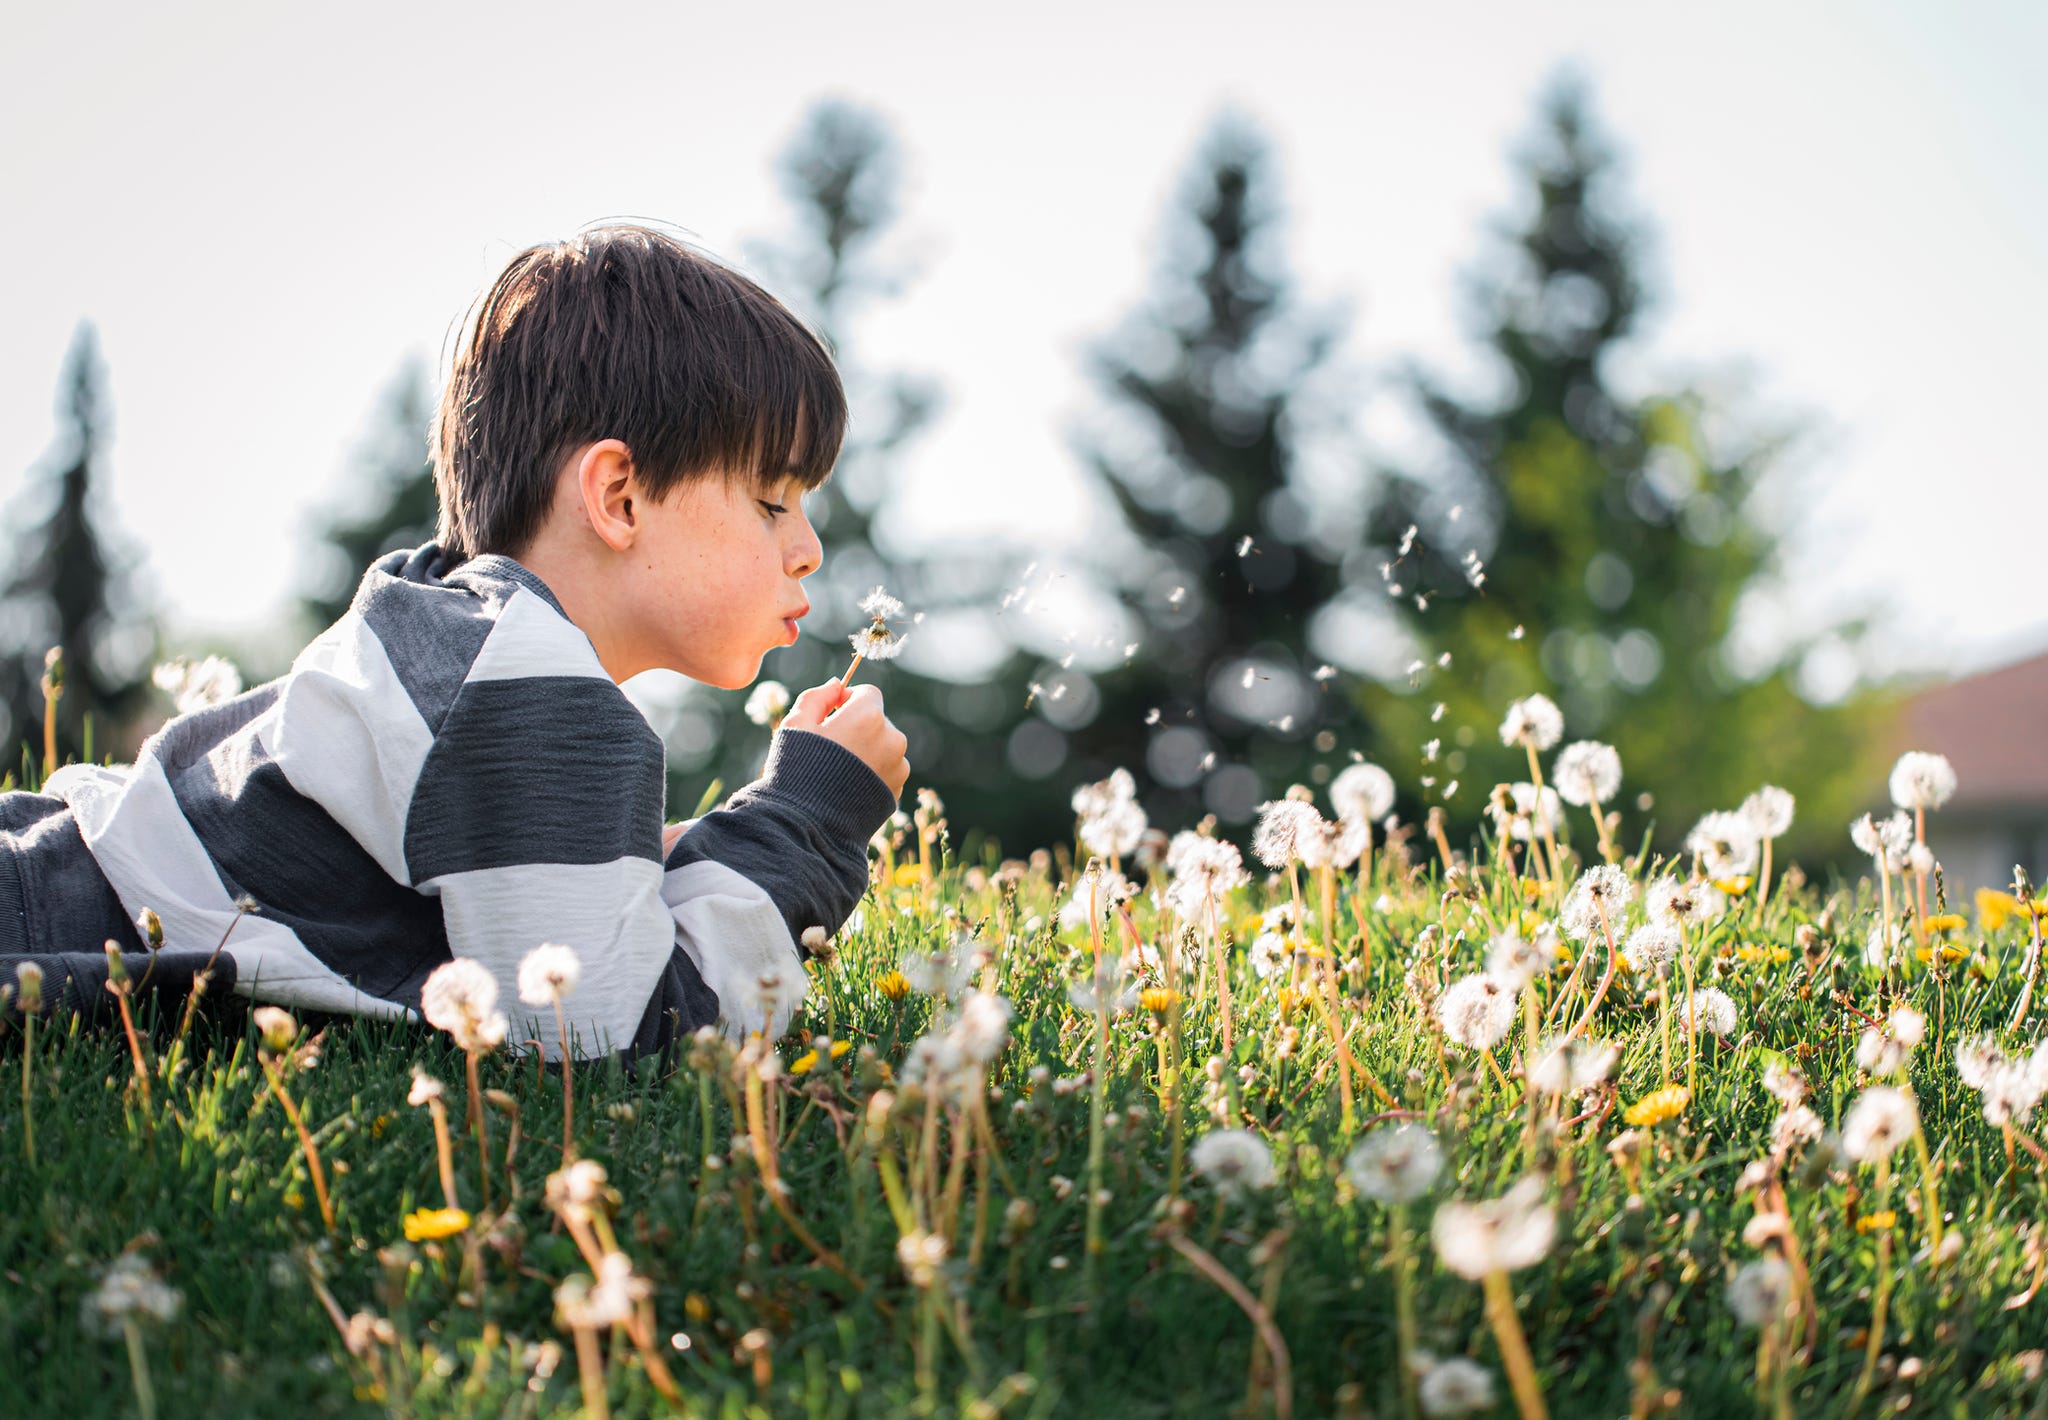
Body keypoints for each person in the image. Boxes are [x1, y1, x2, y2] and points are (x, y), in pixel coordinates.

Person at [4, 225, 908, 1059]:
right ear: (619, 496)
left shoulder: (465, 637)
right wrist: (808, 818)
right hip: (50, 927)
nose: (809, 548)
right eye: (772, 502)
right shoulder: (528, 687)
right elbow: (609, 1040)